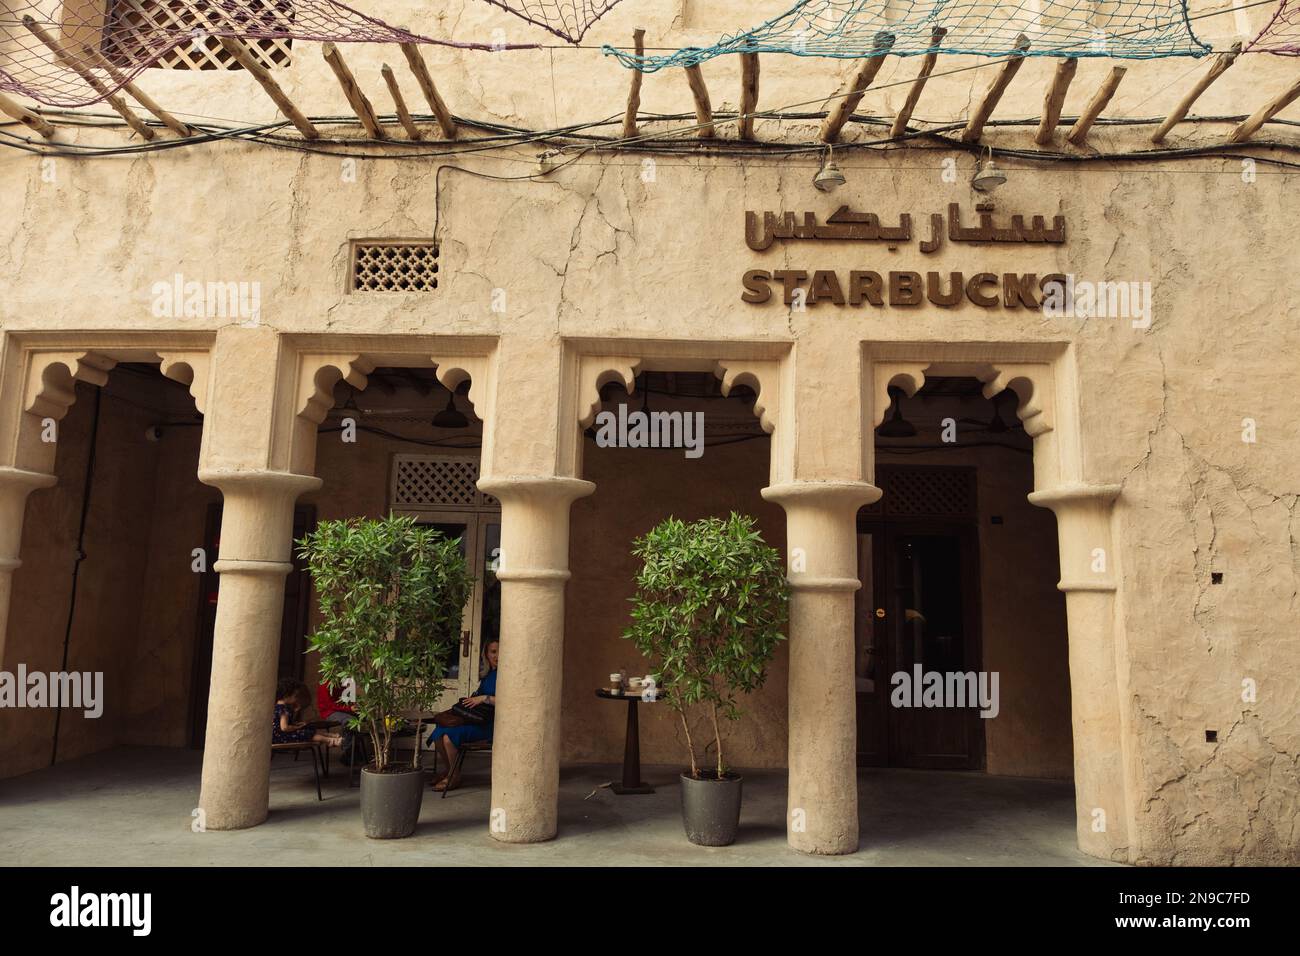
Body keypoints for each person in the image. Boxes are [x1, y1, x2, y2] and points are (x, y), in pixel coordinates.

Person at [427, 640, 498, 792]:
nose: (497, 656)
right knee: (439, 731)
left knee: (448, 737)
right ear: (486, 654)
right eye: (493, 652)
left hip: (489, 725)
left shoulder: (505, 675)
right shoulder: (488, 674)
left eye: (500, 651)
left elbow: (509, 702)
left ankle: (454, 777)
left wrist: (484, 698)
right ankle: (450, 771)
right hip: (477, 720)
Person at [274, 679, 343, 747]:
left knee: (307, 730)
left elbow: (285, 722)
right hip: (282, 737)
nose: (296, 699)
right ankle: (329, 740)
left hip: (278, 736)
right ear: (286, 696)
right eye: (295, 696)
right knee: (306, 733)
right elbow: (284, 728)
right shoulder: (283, 709)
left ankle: (330, 736)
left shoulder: (277, 707)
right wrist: (296, 727)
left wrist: (296, 723)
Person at [317, 680, 366, 764]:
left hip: (344, 711)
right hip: (329, 712)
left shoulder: (346, 682)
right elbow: (330, 705)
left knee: (364, 718)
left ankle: (354, 751)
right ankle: (348, 753)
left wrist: (355, 707)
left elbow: (350, 699)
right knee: (349, 721)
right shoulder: (325, 685)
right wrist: (349, 709)